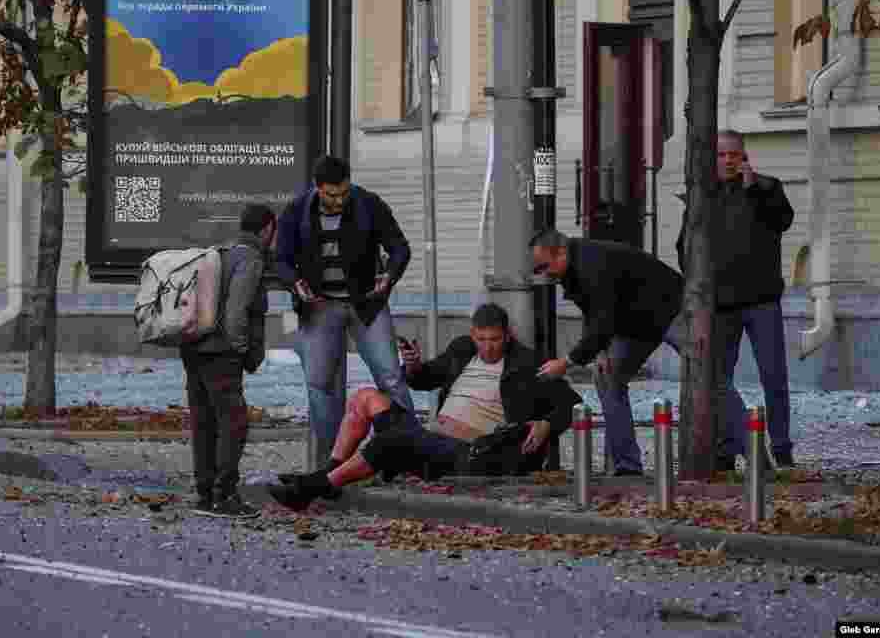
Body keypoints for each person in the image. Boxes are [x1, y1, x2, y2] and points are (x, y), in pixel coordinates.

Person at [266, 303, 582, 512]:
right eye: (482, 339)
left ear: (507, 335)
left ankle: (314, 487)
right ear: (473, 334)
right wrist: (414, 367)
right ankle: (329, 475)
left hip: (469, 452)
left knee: (393, 441)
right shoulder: (462, 350)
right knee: (365, 397)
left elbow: (571, 405)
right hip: (432, 439)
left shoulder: (527, 363)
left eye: (495, 340)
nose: (487, 347)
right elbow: (424, 379)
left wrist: (545, 425)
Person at [530, 228, 750, 477]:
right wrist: (601, 352)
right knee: (607, 376)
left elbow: (602, 321)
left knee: (710, 376)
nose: (543, 275)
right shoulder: (573, 268)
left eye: (544, 267)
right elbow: (596, 316)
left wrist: (567, 362)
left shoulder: (592, 264)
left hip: (671, 311)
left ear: (561, 252)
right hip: (634, 323)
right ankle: (627, 466)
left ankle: (756, 456)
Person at [276, 155, 415, 458]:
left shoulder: (368, 203)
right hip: (319, 307)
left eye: (343, 193)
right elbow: (282, 259)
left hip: (366, 304)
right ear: (317, 188)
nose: (338, 201)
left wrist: (389, 276)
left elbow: (400, 248)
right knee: (320, 384)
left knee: (390, 376)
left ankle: (410, 453)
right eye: (331, 194)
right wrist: (295, 282)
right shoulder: (297, 210)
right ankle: (334, 461)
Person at [676, 130, 796, 468]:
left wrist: (753, 189)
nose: (728, 161)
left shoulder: (767, 187)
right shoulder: (704, 196)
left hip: (762, 301)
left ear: (744, 157)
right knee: (719, 381)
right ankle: (726, 449)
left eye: (734, 155)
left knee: (774, 377)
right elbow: (685, 247)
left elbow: (783, 220)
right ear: (712, 159)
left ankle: (783, 448)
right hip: (721, 306)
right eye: (722, 155)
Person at [183, 203, 276, 518]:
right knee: (233, 423)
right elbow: (237, 312)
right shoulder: (250, 258)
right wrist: (239, 350)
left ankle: (204, 495)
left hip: (194, 349)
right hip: (221, 354)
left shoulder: (220, 254)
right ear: (267, 230)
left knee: (204, 422)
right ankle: (225, 496)